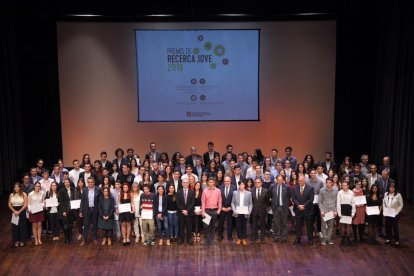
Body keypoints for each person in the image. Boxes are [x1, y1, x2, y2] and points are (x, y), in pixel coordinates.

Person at [292, 176, 315, 245]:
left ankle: (310, 239)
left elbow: (311, 199)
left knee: (309, 226)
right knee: (298, 226)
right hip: (298, 210)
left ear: (304, 181)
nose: (300, 182)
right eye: (299, 181)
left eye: (301, 181)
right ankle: (298, 238)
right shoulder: (295, 188)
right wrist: (298, 205)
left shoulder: (310, 188)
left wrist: (304, 206)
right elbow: (294, 198)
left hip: (308, 210)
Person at [79, 177, 101, 246]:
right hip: (86, 210)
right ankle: (84, 240)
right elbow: (82, 201)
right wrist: (80, 211)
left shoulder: (98, 189)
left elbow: (100, 201)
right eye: (89, 182)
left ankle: (94, 238)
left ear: (94, 182)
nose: (90, 183)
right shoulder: (85, 190)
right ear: (87, 183)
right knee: (86, 225)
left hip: (95, 209)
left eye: (91, 182)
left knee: (95, 225)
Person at [270, 175, 291, 243]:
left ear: (283, 180)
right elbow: (270, 195)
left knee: (284, 223)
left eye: (281, 179)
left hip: (284, 207)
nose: (279, 181)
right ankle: (276, 237)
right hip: (275, 207)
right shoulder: (272, 186)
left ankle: (284, 237)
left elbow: (289, 196)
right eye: (278, 179)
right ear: (276, 180)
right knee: (276, 223)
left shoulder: (287, 187)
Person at [201, 177, 221, 245]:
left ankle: (211, 239)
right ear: (207, 183)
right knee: (206, 226)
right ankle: (206, 240)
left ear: (214, 182)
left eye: (212, 182)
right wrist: (203, 211)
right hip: (207, 210)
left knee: (213, 226)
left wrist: (219, 210)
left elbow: (220, 201)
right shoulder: (205, 191)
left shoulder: (218, 191)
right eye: (209, 182)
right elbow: (203, 202)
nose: (211, 183)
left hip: (215, 211)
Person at [231, 181, 253, 246]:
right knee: (238, 226)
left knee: (244, 226)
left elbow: (250, 203)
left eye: (243, 185)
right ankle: (239, 238)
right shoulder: (235, 193)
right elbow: (232, 202)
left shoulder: (249, 193)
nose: (241, 186)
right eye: (240, 185)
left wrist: (249, 211)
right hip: (237, 212)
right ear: (239, 186)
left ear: (244, 186)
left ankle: (243, 238)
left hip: (245, 212)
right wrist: (234, 210)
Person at [318, 178, 338, 245]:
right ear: (325, 183)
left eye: (330, 182)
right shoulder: (322, 190)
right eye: (327, 182)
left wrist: (335, 211)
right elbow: (319, 202)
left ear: (332, 183)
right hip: (324, 211)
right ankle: (324, 239)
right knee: (323, 226)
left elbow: (336, 202)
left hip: (332, 210)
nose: (328, 184)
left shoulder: (335, 191)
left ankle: (328, 239)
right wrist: (322, 210)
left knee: (330, 226)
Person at [8, 182, 29, 247]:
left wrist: (19, 211)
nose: (16, 188)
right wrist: (14, 211)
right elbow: (9, 204)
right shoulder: (11, 195)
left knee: (22, 226)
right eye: (15, 187)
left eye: (17, 187)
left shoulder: (24, 194)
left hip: (22, 211)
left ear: (20, 187)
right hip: (14, 211)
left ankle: (22, 240)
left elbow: (25, 204)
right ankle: (16, 240)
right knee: (15, 226)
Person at [383, 183, 403, 247]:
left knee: (394, 227)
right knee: (388, 226)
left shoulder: (398, 195)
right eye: (390, 188)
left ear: (395, 188)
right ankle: (388, 238)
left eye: (393, 188)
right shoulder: (386, 194)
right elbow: (383, 203)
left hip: (395, 213)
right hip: (388, 213)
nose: (391, 189)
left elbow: (401, 205)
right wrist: (384, 210)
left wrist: (396, 212)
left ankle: (397, 240)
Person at [251, 178, 269, 244]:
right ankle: (254, 238)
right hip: (254, 211)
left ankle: (262, 238)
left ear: (261, 183)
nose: (257, 184)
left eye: (258, 182)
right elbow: (251, 201)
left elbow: (267, 201)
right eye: (256, 182)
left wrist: (264, 207)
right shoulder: (252, 190)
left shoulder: (266, 191)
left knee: (262, 225)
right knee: (254, 225)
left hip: (262, 211)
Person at [177, 179, 195, 245]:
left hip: (189, 213)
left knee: (189, 227)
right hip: (181, 213)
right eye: (184, 182)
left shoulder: (192, 192)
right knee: (181, 226)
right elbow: (178, 203)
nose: (185, 184)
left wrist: (187, 210)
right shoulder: (178, 192)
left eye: (187, 182)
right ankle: (181, 239)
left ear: (188, 183)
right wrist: (183, 210)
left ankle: (189, 239)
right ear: (182, 183)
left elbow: (192, 203)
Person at [218, 176, 236, 242]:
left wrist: (231, 207)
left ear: (230, 181)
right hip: (222, 209)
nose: (226, 182)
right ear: (223, 181)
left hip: (230, 209)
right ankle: (220, 235)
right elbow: (218, 199)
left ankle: (229, 235)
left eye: (228, 181)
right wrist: (222, 207)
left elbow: (235, 199)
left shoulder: (234, 188)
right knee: (220, 223)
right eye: (225, 181)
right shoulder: (220, 188)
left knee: (230, 223)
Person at [307, 169, 324, 239]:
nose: (313, 174)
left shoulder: (320, 182)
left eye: (314, 173)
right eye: (312, 173)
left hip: (318, 203)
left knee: (319, 218)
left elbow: (322, 192)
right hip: (310, 203)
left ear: (316, 174)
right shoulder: (307, 182)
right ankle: (313, 231)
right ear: (310, 174)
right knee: (311, 218)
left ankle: (319, 231)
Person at [337, 181, 355, 245]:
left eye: (345, 185)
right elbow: (338, 203)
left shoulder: (351, 193)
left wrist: (353, 212)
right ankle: (343, 238)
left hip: (349, 209)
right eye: (342, 185)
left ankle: (348, 238)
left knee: (348, 225)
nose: (343, 187)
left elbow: (353, 203)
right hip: (342, 209)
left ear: (348, 186)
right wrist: (339, 213)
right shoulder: (339, 193)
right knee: (342, 225)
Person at [58, 178, 75, 244]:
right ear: (64, 183)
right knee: (65, 225)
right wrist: (64, 211)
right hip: (65, 211)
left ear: (69, 183)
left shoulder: (73, 189)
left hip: (71, 210)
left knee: (71, 225)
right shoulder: (61, 191)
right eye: (65, 182)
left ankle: (70, 237)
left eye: (68, 182)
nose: (67, 183)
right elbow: (61, 202)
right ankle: (66, 238)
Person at [352, 179, 366, 243]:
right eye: (357, 184)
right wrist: (355, 204)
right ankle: (355, 237)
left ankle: (361, 236)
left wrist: (364, 203)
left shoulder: (363, 190)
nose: (359, 185)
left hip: (362, 209)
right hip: (355, 209)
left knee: (361, 223)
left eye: (360, 184)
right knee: (355, 223)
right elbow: (351, 200)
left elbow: (365, 199)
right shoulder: (352, 191)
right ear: (355, 184)